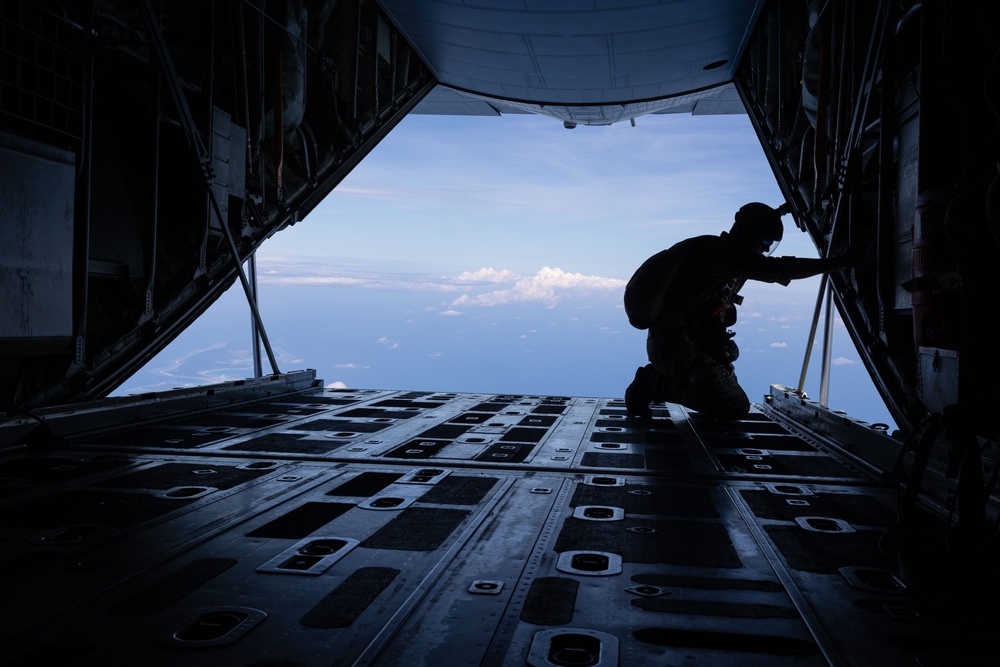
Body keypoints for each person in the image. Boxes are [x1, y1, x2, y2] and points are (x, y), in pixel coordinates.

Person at [623, 202, 857, 421]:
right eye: (765, 242)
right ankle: (652, 383)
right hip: (674, 350)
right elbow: (779, 269)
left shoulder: (722, 256)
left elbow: (708, 310)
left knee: (728, 367)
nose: (765, 250)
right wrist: (838, 262)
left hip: (685, 344)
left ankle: (672, 379)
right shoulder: (719, 254)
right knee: (731, 406)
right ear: (749, 233)